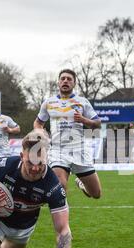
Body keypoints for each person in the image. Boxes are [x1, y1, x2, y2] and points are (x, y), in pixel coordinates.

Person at [33, 69, 102, 199]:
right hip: (58, 151)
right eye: (63, 78)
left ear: (74, 83)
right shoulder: (49, 103)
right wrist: (40, 133)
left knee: (96, 194)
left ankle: (81, 183)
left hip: (80, 150)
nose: (65, 81)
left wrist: (83, 120)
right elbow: (38, 123)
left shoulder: (82, 101)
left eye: (69, 79)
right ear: (58, 83)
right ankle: (63, 218)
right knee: (60, 186)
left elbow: (97, 123)